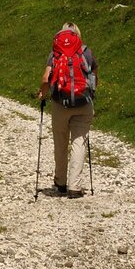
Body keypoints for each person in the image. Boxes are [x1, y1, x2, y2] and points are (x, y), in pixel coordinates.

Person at [36, 22, 98, 198]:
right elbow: (94, 75)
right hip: (83, 103)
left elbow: (46, 78)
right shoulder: (86, 52)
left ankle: (61, 182)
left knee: (60, 142)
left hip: (60, 103)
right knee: (79, 143)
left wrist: (42, 93)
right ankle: (75, 187)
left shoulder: (55, 53)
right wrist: (91, 93)